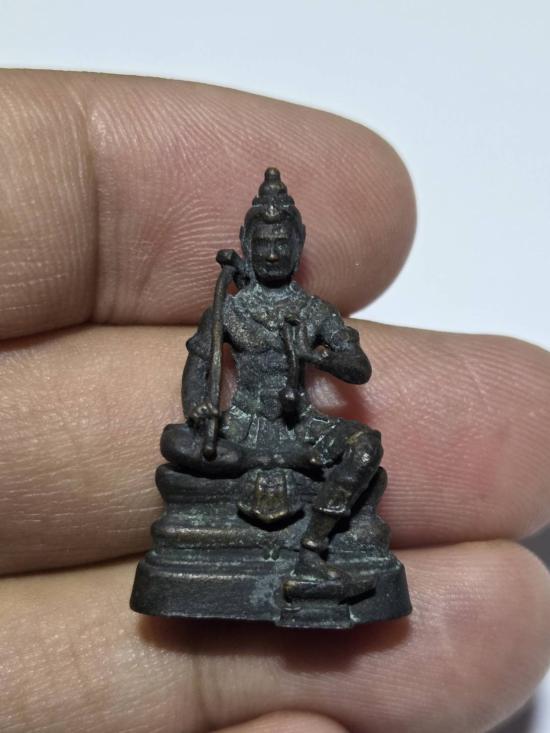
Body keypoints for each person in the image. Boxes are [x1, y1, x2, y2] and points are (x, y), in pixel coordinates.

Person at [0, 69, 549, 733]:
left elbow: (359, 368)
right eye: (261, 243)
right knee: (177, 444)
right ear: (248, 247)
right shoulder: (231, 310)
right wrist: (202, 415)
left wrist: (315, 355)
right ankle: (283, 512)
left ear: (297, 246)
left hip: (300, 426)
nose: (271, 250)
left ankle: (315, 546)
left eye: (281, 242)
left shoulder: (312, 310)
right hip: (243, 427)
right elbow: (201, 369)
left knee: (365, 446)